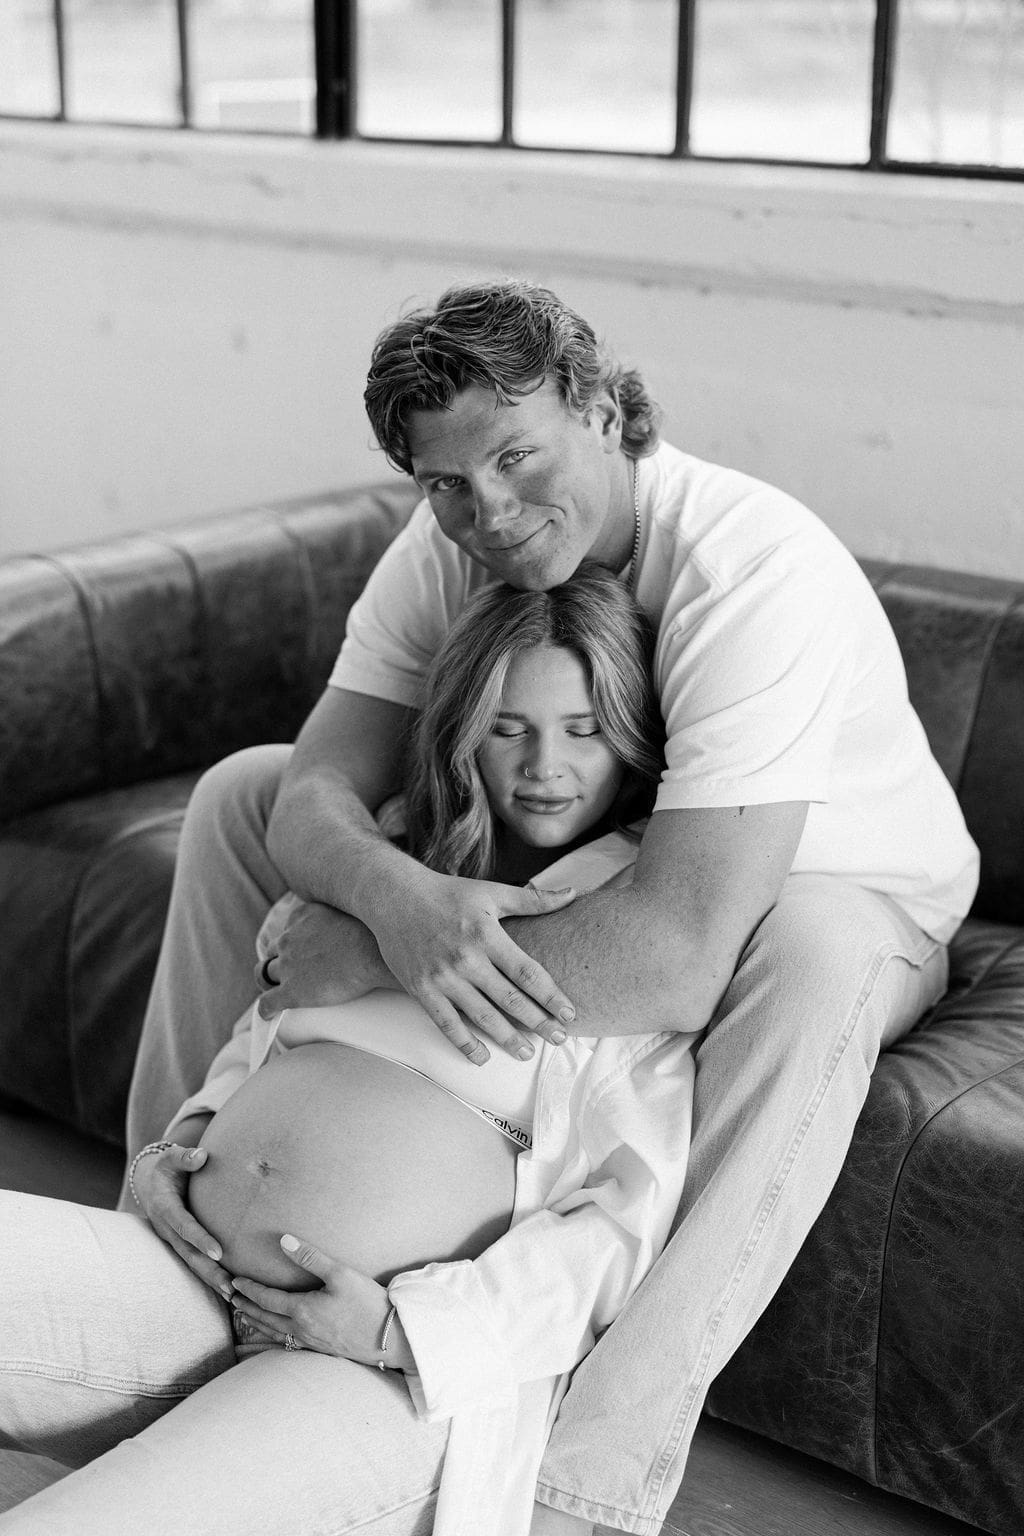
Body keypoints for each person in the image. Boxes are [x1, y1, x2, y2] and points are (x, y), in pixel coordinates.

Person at [118, 279, 979, 1535]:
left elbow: (679, 959)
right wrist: (395, 894)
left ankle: (592, 1483)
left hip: (830, 886)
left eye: (516, 458)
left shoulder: (752, 567)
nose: (492, 513)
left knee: (811, 959)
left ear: (604, 408)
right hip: (611, 845)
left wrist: (368, 945)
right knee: (238, 795)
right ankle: (174, 1212)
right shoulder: (450, 543)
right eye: (448, 485)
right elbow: (310, 792)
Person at [0, 568, 696, 1535]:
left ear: (630, 737)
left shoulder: (629, 933)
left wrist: (399, 1330)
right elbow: (266, 1042)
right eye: (509, 727)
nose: (546, 764)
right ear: (463, 730)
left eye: (583, 729)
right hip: (187, 1277)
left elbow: (622, 1230)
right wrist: (181, 1145)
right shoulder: (387, 870)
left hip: (370, 1369)